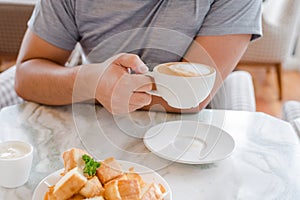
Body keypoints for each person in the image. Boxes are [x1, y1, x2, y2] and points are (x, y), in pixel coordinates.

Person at [14, 0, 262, 115]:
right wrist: (91, 81)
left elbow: (190, 96)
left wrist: (107, 88)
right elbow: (26, 76)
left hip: (189, 136)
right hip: (90, 126)